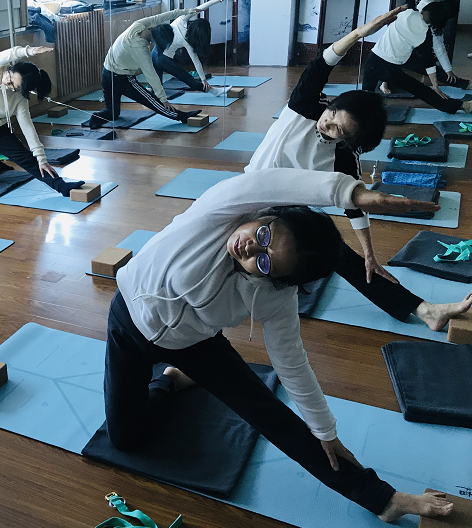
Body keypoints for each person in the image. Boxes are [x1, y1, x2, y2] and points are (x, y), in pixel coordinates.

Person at [106, 168, 453, 523]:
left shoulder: (275, 296)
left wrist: (325, 431)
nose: (250, 248)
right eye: (263, 235)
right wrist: (349, 192)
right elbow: (266, 181)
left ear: (278, 278)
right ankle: (170, 382)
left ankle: (383, 500)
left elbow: (292, 366)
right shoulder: (217, 214)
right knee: (125, 438)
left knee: (273, 415)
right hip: (126, 324)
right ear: (270, 215)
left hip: (195, 345)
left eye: (265, 261)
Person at [246, 8, 472, 331]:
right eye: (332, 114)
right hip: (246, 195)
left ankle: (424, 310)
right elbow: (322, 63)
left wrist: (370, 254)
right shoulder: (305, 106)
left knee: (340, 252)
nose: (327, 124)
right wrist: (359, 34)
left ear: (350, 141)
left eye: (338, 129)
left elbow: (355, 207)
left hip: (283, 210)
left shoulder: (342, 158)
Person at [0, 46, 84, 197]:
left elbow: (28, 128)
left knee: (28, 159)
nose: (7, 83)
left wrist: (41, 158)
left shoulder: (19, 99)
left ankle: (61, 186)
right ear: (10, 69)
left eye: (13, 86)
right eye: (10, 77)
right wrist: (30, 51)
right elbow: (11, 53)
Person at [362, 0, 472, 113]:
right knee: (419, 89)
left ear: (426, 8)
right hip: (392, 67)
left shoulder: (409, 11)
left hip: (374, 62)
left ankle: (362, 111)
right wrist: (436, 87)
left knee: (364, 97)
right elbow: (429, 63)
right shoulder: (426, 35)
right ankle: (461, 106)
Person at [87, 10, 203, 129]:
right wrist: (163, 99)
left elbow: (163, 16)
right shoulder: (140, 48)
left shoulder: (140, 24)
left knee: (112, 113)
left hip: (106, 73)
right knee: (151, 101)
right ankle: (182, 116)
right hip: (121, 77)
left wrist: (187, 11)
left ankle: (96, 117)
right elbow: (151, 75)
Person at [381, 0, 470, 94]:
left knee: (424, 64)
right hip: (394, 39)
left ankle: (462, 83)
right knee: (392, 59)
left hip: (408, 47)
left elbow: (438, 49)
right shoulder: (421, 5)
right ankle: (384, 81)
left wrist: (448, 70)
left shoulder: (434, 27)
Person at [151, 0, 234, 95]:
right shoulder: (188, 42)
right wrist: (203, 80)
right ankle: (213, 90)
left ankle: (150, 92)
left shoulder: (182, 20)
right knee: (187, 78)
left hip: (154, 52)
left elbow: (200, 8)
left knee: (157, 87)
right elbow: (196, 61)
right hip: (164, 59)